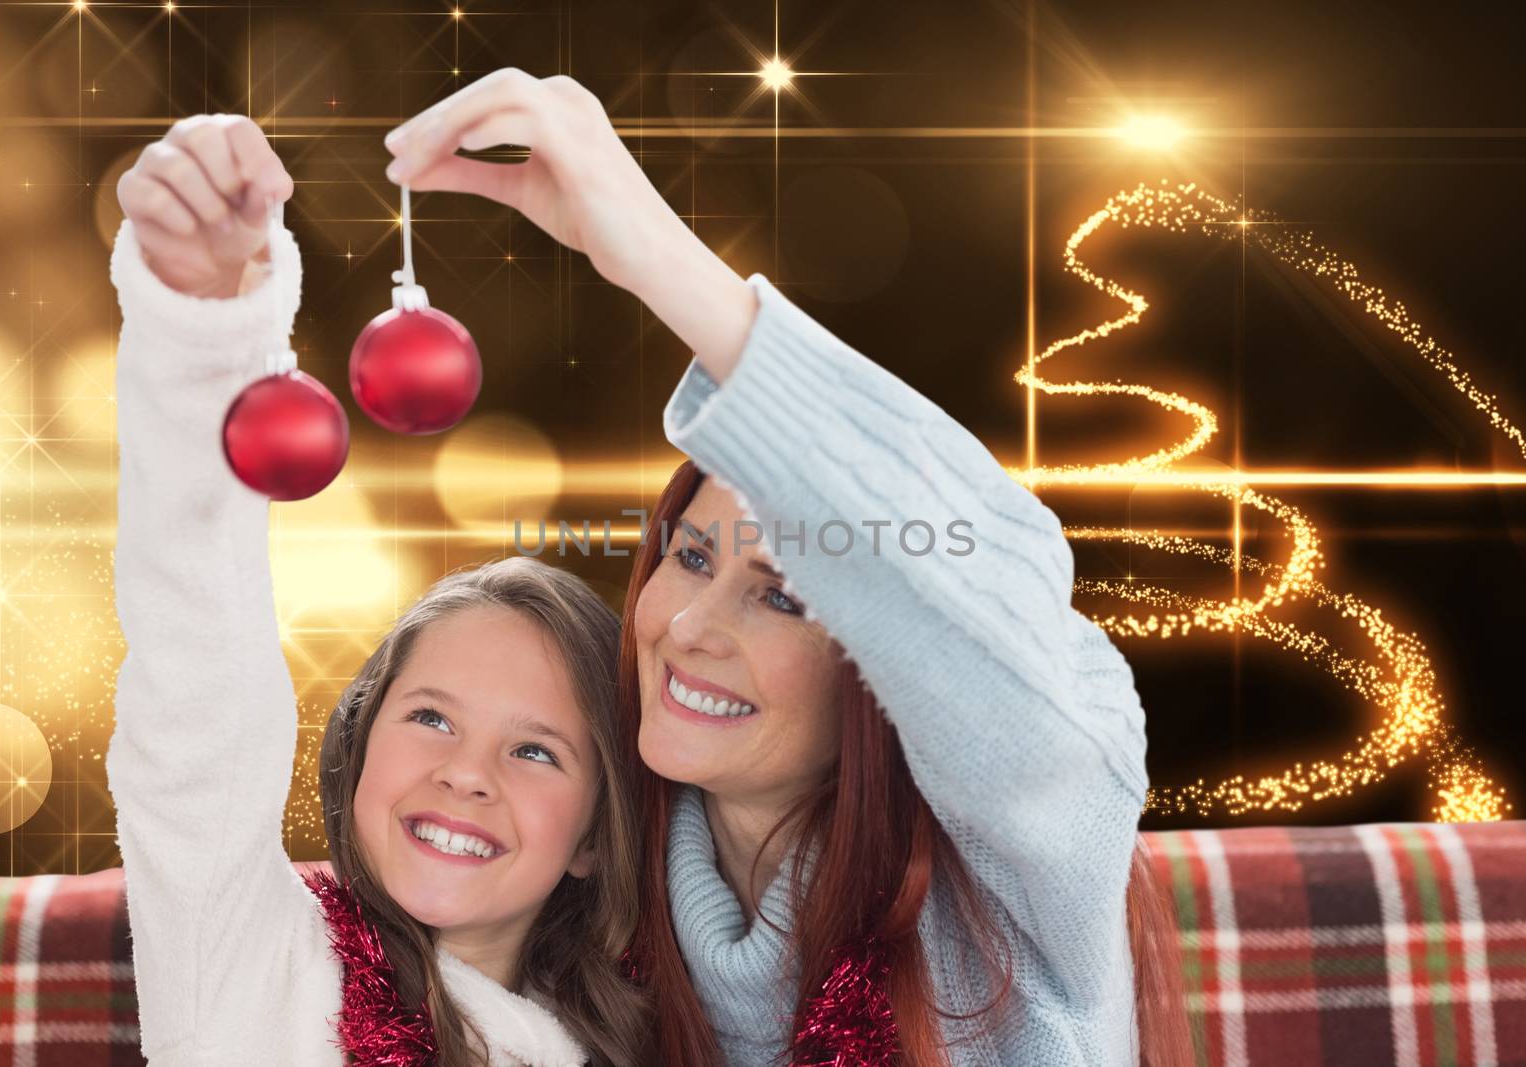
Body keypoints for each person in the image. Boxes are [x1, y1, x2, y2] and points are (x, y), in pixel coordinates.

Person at [383, 69, 1189, 1066]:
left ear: (887, 645)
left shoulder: (1023, 846)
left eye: (778, 592)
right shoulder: (591, 905)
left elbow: (997, 573)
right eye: (687, 556)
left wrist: (656, 258)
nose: (687, 625)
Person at [106, 114, 648, 1066]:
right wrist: (207, 321)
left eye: (534, 748)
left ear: (596, 839)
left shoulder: (636, 1040)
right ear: (355, 746)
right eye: (432, 718)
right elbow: (197, 684)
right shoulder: (251, 960)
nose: (467, 772)